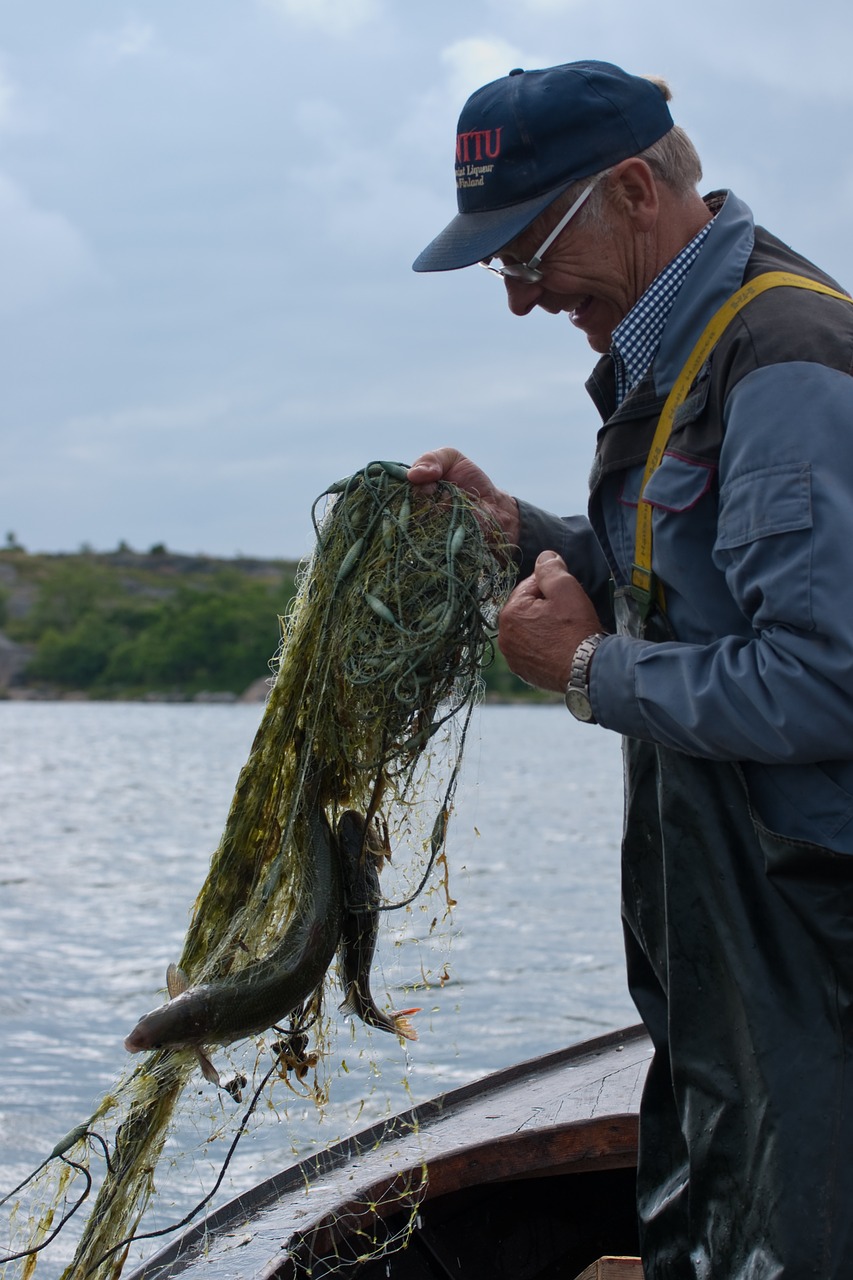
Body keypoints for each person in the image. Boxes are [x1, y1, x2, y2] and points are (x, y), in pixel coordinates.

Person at [407, 60, 853, 1278]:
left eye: (524, 251)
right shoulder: (680, 348)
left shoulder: (783, 353)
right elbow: (682, 580)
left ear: (631, 189)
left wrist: (586, 667)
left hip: (810, 939)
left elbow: (824, 680)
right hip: (717, 939)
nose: (517, 296)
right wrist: (525, 534)